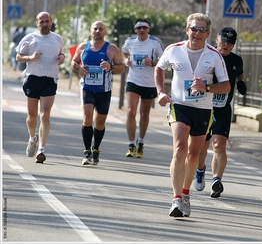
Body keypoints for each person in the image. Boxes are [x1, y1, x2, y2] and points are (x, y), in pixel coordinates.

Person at [155, 13, 230, 217]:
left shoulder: (214, 55)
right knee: (179, 148)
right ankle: (176, 199)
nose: (197, 33)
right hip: (179, 105)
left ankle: (186, 193)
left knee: (193, 154)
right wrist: (161, 92)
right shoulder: (173, 50)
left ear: (207, 33)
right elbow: (159, 69)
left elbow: (226, 86)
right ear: (187, 30)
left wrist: (207, 87)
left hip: (203, 109)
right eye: (193, 28)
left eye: (201, 30)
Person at [193, 27, 246, 198]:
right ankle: (200, 169)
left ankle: (217, 180)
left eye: (230, 42)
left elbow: (240, 74)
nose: (225, 44)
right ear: (216, 39)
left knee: (219, 145)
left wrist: (241, 83)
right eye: (223, 40)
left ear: (233, 45)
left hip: (223, 108)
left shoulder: (237, 60)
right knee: (202, 146)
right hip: (204, 107)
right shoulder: (206, 56)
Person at [71, 21, 125, 165]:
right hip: (87, 88)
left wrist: (111, 66)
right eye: (95, 28)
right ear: (90, 31)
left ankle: (96, 149)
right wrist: (78, 69)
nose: (97, 31)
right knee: (87, 117)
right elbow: (73, 62)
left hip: (104, 90)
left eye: (100, 29)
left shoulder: (112, 49)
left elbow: (122, 68)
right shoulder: (83, 47)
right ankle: (86, 151)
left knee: (99, 122)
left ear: (104, 32)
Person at [15, 12, 65, 163]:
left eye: (47, 21)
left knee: (45, 114)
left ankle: (41, 149)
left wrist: (62, 58)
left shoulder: (57, 39)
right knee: (32, 117)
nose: (44, 24)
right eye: (41, 21)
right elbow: (18, 56)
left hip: (50, 79)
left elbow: (62, 55)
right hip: (32, 78)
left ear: (51, 22)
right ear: (37, 23)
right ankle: (32, 138)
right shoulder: (29, 38)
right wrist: (31, 58)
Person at [121, 18, 164, 158]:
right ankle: (131, 143)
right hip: (133, 80)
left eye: (144, 27)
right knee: (131, 112)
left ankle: (141, 142)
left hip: (149, 83)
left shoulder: (155, 43)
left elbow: (164, 62)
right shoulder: (130, 41)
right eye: (139, 28)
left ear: (148, 29)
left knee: (144, 114)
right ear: (135, 30)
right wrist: (125, 60)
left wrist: (152, 62)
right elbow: (124, 52)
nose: (142, 30)